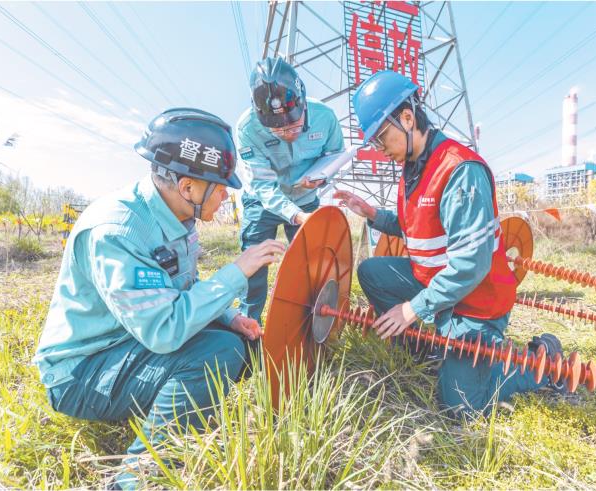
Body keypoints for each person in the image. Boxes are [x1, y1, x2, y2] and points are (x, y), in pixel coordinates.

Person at [32, 108, 286, 489]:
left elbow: (182, 285)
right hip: (82, 370)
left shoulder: (176, 216)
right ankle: (134, 479)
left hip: (128, 340)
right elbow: (164, 331)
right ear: (187, 187)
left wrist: (229, 317)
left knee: (243, 345)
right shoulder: (117, 231)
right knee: (217, 353)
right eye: (219, 187)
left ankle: (174, 404)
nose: (226, 195)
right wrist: (238, 271)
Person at [334, 71, 564, 415]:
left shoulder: (459, 171)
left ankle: (539, 362)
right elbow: (418, 226)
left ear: (407, 118)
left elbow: (470, 265)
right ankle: (424, 348)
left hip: (476, 301)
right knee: (372, 273)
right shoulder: (414, 167)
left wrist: (411, 309)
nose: (381, 151)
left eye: (382, 139)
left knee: (459, 405)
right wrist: (373, 214)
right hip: (437, 288)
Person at [235, 56, 344, 323]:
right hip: (263, 201)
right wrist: (295, 215)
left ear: (303, 103)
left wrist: (321, 179)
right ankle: (249, 326)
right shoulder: (247, 128)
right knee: (254, 264)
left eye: (294, 125)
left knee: (311, 263)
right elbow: (262, 184)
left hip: (305, 197)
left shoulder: (325, 117)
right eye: (278, 130)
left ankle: (307, 323)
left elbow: (335, 156)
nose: (288, 133)